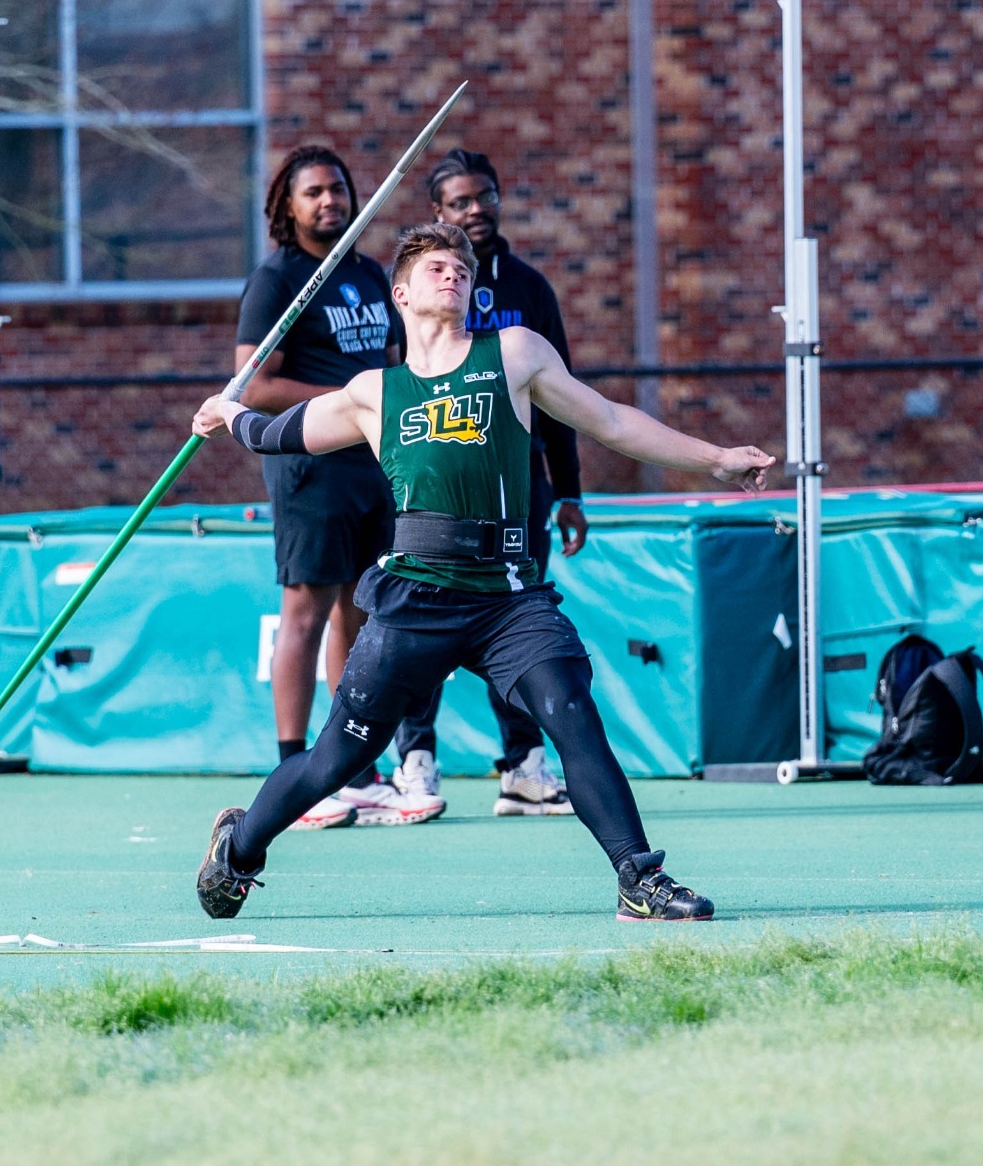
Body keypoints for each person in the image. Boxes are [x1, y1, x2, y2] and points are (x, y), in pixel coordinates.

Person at [193, 223, 775, 921]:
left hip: (507, 597)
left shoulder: (515, 355)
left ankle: (638, 879)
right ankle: (240, 844)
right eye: (437, 267)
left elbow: (611, 421)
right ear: (399, 293)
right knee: (337, 759)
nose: (454, 276)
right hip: (414, 597)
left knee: (571, 714)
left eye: (462, 270)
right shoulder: (375, 392)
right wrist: (230, 411)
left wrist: (714, 459)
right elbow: (277, 435)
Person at [236, 145, 446, 829]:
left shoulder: (364, 273)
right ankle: (295, 772)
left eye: (338, 189)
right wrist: (351, 400)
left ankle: (350, 768)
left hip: (373, 467)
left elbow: (394, 364)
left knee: (361, 614)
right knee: (305, 611)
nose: (330, 202)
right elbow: (255, 385)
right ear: (288, 206)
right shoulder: (277, 280)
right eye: (314, 193)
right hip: (309, 467)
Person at [389, 149, 589, 816]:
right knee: (426, 621)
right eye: (460, 202)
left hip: (517, 490)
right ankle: (416, 762)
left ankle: (524, 767)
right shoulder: (425, 289)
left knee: (520, 621)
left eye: (486, 197)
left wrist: (569, 492)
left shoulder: (528, 290)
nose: (476, 210)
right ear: (437, 213)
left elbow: (563, 402)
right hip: (437, 496)